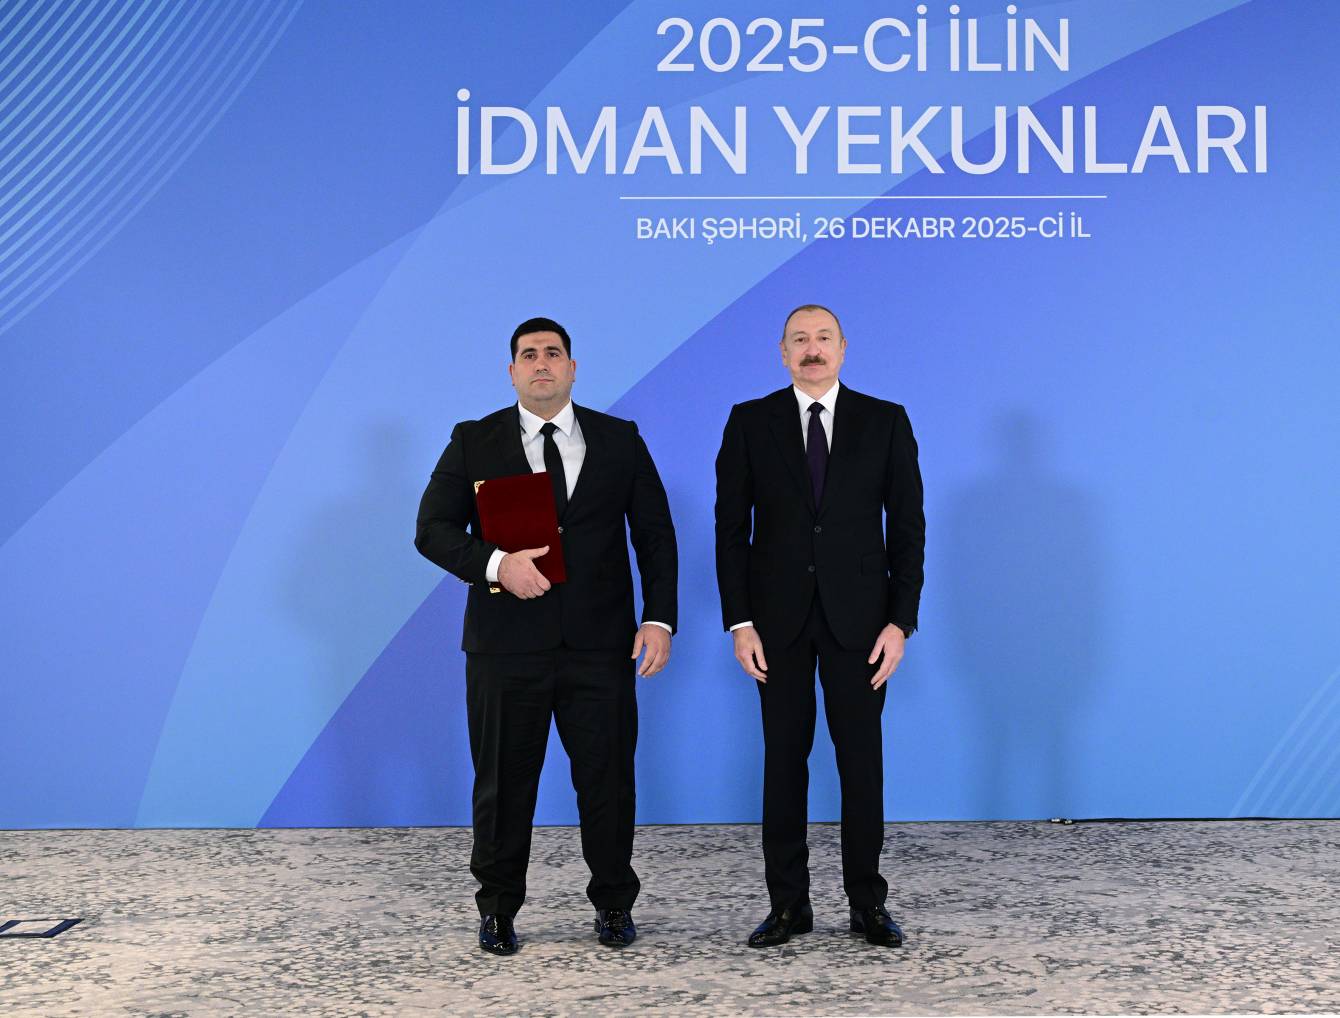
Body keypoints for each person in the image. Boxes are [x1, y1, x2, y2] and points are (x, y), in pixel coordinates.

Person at [415, 317, 677, 955]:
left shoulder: (619, 438)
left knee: (608, 782)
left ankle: (614, 904)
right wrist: (495, 564)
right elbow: (431, 529)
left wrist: (659, 618)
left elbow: (655, 534)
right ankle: (497, 911)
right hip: (505, 648)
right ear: (511, 371)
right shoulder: (473, 440)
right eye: (528, 354)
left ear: (572, 368)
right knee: (503, 786)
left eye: (553, 353)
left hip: (600, 646)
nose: (541, 363)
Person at [714, 304, 925, 949]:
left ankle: (867, 904)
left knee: (861, 764)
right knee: (783, 763)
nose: (813, 349)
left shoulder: (885, 421)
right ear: (782, 353)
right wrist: (739, 621)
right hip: (774, 624)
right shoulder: (749, 421)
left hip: (861, 625)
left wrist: (900, 622)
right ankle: (788, 906)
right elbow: (730, 531)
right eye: (800, 339)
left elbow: (908, 528)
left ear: (843, 348)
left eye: (823, 338)